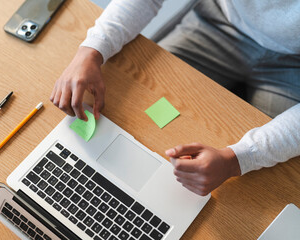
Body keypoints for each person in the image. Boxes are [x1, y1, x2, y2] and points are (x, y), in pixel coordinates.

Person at [50, 0, 300, 196]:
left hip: (295, 62)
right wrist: (91, 50)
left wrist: (237, 160)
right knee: (138, 101)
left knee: (265, 185)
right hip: (220, 20)